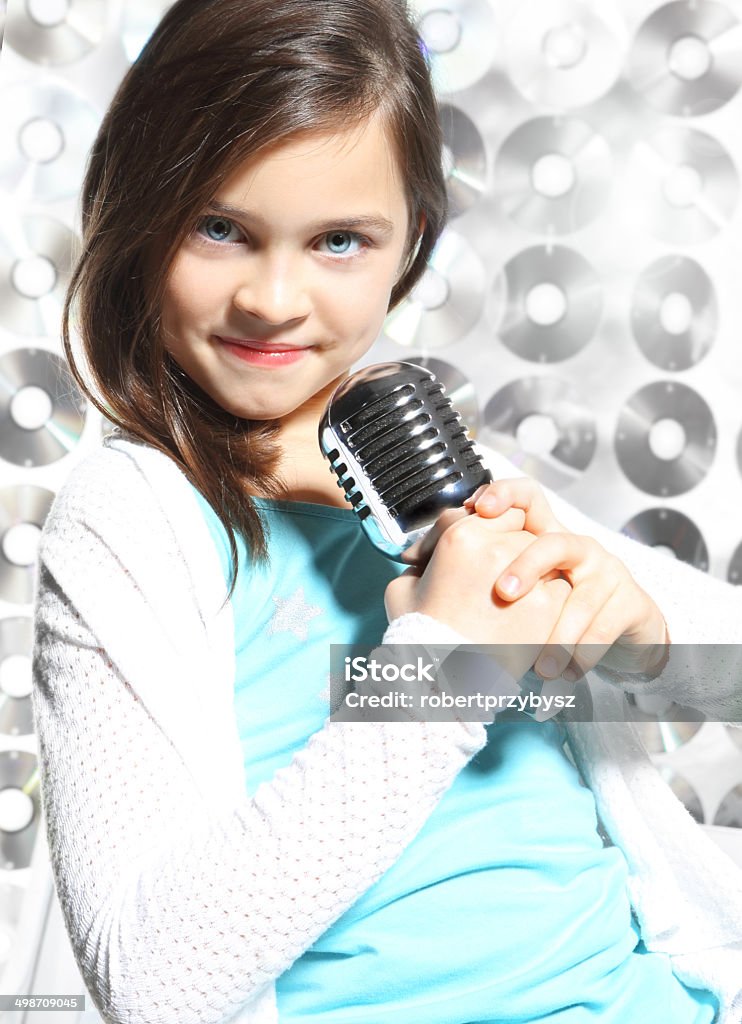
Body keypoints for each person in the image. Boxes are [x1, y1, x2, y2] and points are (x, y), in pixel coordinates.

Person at [30, 1, 742, 1022]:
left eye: (338, 241)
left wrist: (640, 637)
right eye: (220, 227)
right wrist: (449, 661)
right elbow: (152, 980)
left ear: (411, 241)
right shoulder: (134, 519)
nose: (273, 298)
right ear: (140, 213)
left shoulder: (446, 479)